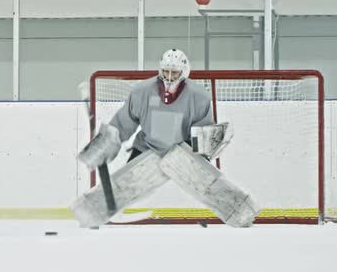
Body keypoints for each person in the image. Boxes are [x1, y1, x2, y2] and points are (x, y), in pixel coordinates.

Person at [71, 49, 259, 228]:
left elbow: (203, 131)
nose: (169, 77)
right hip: (147, 148)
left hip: (181, 151)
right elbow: (123, 122)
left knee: (208, 185)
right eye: (166, 72)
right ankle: (88, 212)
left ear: (184, 73)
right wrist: (104, 144)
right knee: (125, 185)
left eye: (174, 73)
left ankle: (241, 212)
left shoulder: (198, 96)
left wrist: (204, 150)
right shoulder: (142, 91)